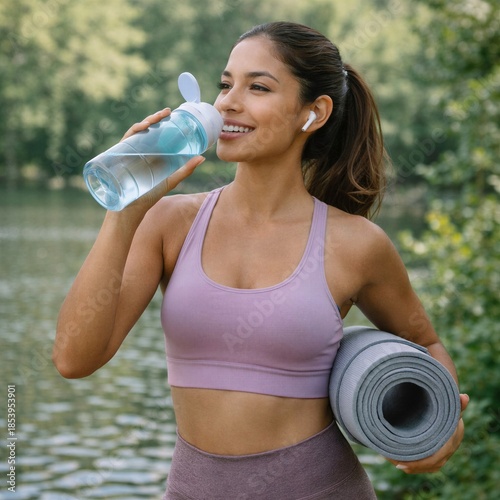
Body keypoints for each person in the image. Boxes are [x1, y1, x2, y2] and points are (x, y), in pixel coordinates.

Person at [54, 21, 468, 499]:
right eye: (226, 84)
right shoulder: (170, 222)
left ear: (313, 113)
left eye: (258, 87)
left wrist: (442, 424)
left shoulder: (356, 244)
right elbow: (73, 359)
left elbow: (426, 343)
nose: (228, 102)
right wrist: (122, 215)